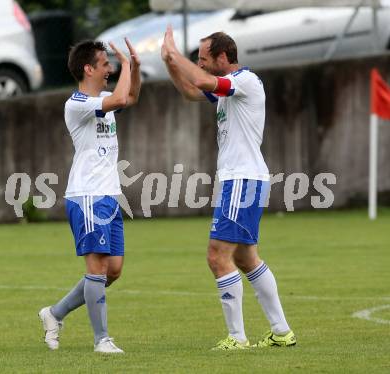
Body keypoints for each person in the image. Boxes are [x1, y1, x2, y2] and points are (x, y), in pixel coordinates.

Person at [161, 26, 295, 350]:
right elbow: (191, 91)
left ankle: (237, 338)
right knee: (247, 259)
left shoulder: (244, 81)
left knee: (217, 256)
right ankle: (281, 332)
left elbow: (203, 81)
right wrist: (169, 61)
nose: (202, 64)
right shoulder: (229, 89)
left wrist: (177, 56)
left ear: (224, 57)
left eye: (205, 58)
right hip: (240, 179)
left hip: (242, 180)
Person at [38, 38, 141, 353]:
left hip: (109, 194)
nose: (109, 68)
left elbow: (131, 95)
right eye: (105, 63)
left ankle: (54, 314)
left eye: (111, 64)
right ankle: (102, 340)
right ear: (88, 68)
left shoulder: (105, 98)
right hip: (87, 196)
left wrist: (133, 68)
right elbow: (123, 97)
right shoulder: (78, 103)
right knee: (96, 269)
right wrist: (127, 65)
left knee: (113, 270)